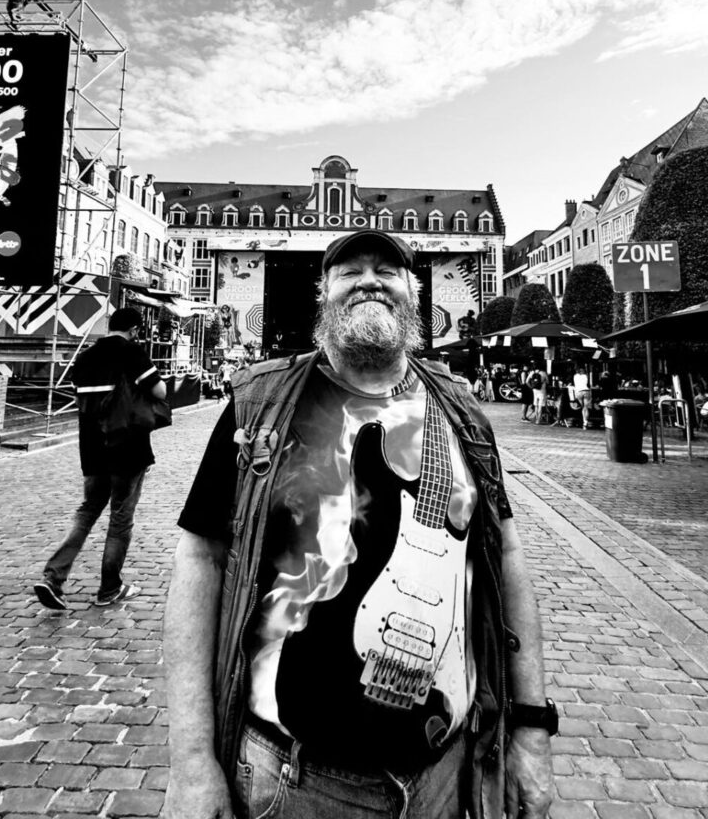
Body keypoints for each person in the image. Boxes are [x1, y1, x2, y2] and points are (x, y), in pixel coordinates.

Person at [164, 229, 555, 819]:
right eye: (350, 272)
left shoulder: (462, 412)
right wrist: (192, 760)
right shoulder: (259, 405)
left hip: (445, 772)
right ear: (323, 294)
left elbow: (507, 559)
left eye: (387, 271)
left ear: (413, 295)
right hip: (291, 778)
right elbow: (200, 561)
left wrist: (530, 727)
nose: (369, 281)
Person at [33, 308, 166, 611]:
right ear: (134, 330)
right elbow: (159, 391)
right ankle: (109, 588)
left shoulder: (86, 357)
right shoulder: (132, 352)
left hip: (92, 449)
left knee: (87, 511)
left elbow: (78, 399)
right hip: (128, 447)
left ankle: (53, 577)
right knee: (120, 518)